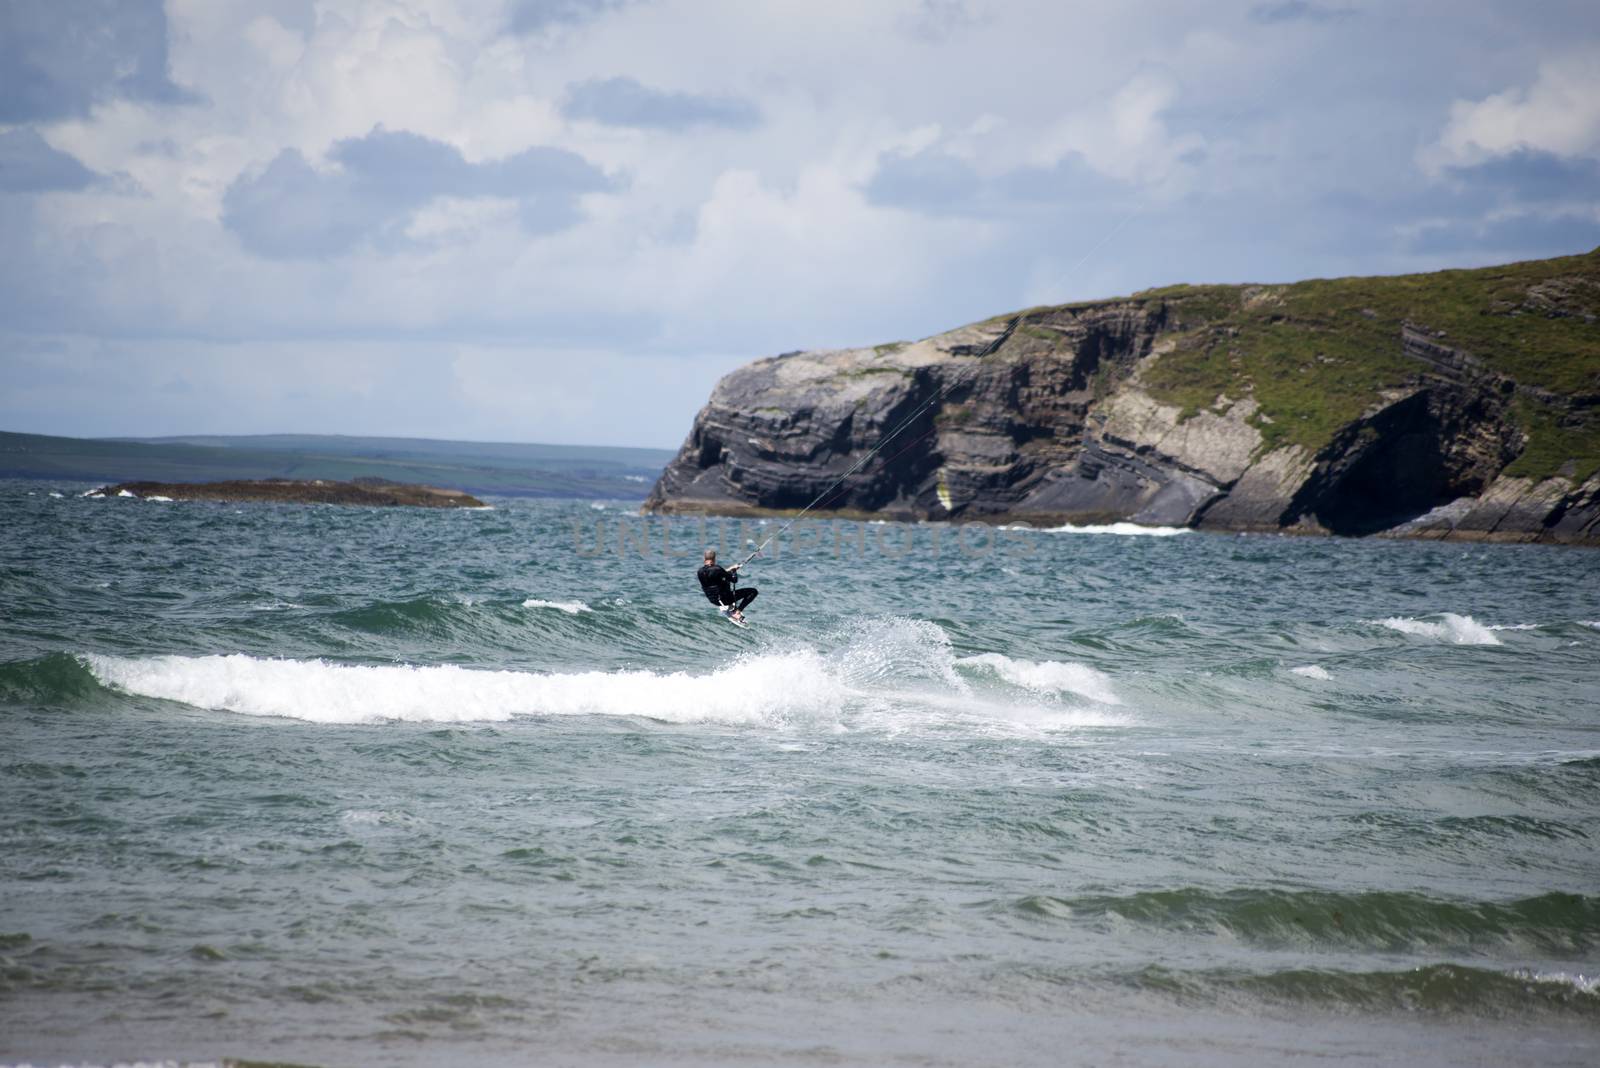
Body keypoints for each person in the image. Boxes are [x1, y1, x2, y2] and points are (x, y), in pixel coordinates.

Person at [697, 548, 757, 623]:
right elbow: (734, 580)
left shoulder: (700, 571)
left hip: (713, 600)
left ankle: (731, 605)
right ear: (714, 558)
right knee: (753, 592)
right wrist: (734, 571)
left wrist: (730, 569)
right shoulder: (717, 569)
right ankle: (737, 612)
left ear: (704, 558)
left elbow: (714, 574)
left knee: (720, 582)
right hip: (724, 599)